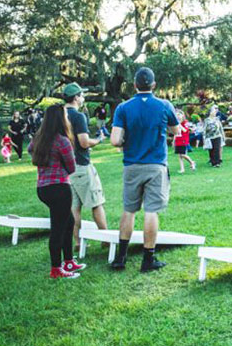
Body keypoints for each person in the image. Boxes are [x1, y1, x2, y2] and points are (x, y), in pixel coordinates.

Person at [110, 67, 180, 272]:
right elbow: (176, 130)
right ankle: (148, 259)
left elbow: (115, 140)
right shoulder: (164, 105)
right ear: (154, 85)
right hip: (156, 164)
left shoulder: (123, 108)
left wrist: (125, 140)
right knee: (151, 211)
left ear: (134, 85)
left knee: (129, 210)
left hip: (131, 165)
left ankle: (120, 258)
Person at [27, 104, 85, 279]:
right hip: (59, 188)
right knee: (58, 229)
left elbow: (30, 150)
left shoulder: (38, 139)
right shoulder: (62, 141)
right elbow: (72, 167)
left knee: (69, 222)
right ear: (61, 119)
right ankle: (56, 269)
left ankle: (68, 261)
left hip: (43, 188)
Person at [63, 83, 109, 250]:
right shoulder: (78, 116)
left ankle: (77, 242)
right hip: (81, 165)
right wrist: (98, 140)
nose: (83, 98)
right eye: (81, 95)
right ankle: (106, 239)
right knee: (96, 203)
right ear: (76, 98)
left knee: (74, 207)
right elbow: (83, 142)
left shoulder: (58, 115)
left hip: (66, 168)